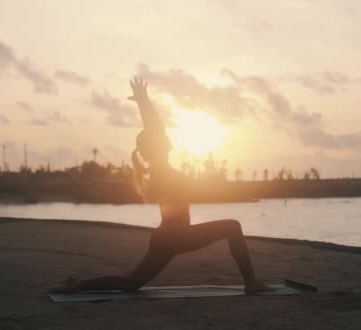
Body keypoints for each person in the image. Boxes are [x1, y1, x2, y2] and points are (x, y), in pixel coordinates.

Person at [52, 77, 274, 293]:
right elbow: (155, 127)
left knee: (131, 283)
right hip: (178, 234)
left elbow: (156, 131)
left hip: (165, 235)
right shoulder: (159, 166)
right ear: (156, 146)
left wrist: (143, 102)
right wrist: (144, 102)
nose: (167, 137)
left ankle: (78, 286)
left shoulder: (159, 167)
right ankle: (251, 281)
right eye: (161, 138)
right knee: (232, 226)